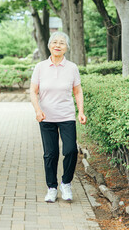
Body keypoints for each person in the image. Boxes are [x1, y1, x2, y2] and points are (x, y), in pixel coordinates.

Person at [30, 31, 87, 203]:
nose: (58, 45)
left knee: (70, 150)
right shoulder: (40, 67)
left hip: (66, 115)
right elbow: (33, 91)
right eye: (55, 42)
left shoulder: (72, 68)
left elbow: (77, 91)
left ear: (66, 47)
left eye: (62, 43)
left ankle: (66, 183)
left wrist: (81, 111)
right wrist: (37, 110)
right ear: (49, 46)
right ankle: (52, 188)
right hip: (46, 117)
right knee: (50, 154)